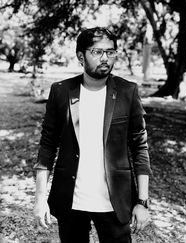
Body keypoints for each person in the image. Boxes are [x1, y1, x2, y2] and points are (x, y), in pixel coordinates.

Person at [33, 27, 151, 243]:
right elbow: (47, 145)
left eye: (110, 52)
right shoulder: (61, 91)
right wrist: (40, 198)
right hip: (72, 201)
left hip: (114, 201)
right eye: (97, 52)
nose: (105, 58)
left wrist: (142, 202)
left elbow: (140, 148)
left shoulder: (127, 91)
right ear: (81, 56)